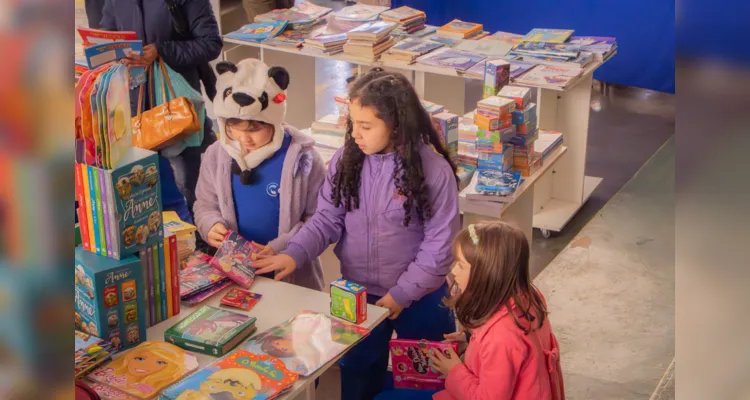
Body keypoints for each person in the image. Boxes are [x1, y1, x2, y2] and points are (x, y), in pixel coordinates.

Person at [252, 68, 460, 400]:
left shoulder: (433, 170)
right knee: (359, 373)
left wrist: (402, 294)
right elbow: (325, 220)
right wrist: (294, 253)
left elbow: (440, 247)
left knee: (427, 381)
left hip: (420, 298)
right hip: (359, 296)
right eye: (353, 124)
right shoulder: (346, 160)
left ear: (396, 124)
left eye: (366, 126)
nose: (356, 134)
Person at [376, 222, 565, 400]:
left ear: (486, 274)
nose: (454, 270)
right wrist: (470, 341)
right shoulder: (527, 296)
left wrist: (454, 371)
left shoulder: (502, 336)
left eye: (460, 264)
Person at [193, 58, 326, 290]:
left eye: (255, 129)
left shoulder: (303, 157)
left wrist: (281, 246)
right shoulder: (217, 154)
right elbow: (205, 203)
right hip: (235, 274)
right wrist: (210, 224)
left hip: (290, 274)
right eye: (234, 129)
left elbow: (319, 219)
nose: (244, 138)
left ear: (273, 121)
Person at [100, 0, 223, 224]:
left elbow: (211, 43)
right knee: (141, 185)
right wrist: (116, 55)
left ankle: (199, 239)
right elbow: (108, 32)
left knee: (187, 184)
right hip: (133, 106)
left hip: (176, 108)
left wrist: (162, 50)